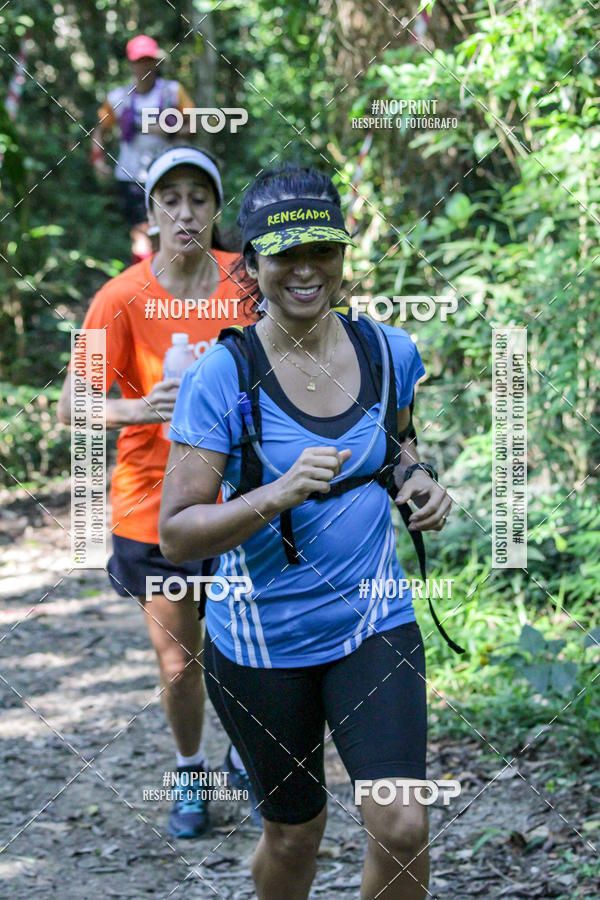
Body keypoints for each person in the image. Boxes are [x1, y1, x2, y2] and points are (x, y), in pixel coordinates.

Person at [159, 165, 452, 898]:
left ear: (343, 257)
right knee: (296, 836)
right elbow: (178, 534)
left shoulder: (390, 353)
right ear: (253, 262)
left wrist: (415, 481)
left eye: (321, 250)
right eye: (284, 254)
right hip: (262, 643)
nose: (305, 270)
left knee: (404, 826)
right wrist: (277, 494)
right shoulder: (223, 377)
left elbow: (397, 446)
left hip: (373, 621)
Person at [58, 146, 260, 838]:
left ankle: (246, 756)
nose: (184, 212)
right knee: (181, 662)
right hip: (152, 505)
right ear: (150, 213)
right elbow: (71, 405)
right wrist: (141, 409)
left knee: (248, 647)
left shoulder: (249, 282)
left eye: (198, 199)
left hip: (244, 500)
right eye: (168, 198)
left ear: (214, 209)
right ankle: (188, 769)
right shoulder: (118, 297)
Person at [91, 34, 194, 261]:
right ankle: (144, 284)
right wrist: (97, 159)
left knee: (169, 230)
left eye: (148, 60)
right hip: (131, 177)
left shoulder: (172, 92)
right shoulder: (118, 97)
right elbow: (99, 130)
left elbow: (194, 126)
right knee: (141, 232)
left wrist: (169, 129)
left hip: (168, 173)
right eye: (139, 61)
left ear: (156, 62)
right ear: (130, 64)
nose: (144, 65)